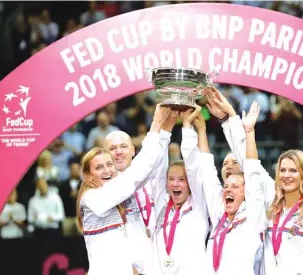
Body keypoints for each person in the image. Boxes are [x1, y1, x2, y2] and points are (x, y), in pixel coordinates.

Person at [76, 106, 173, 275]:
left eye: (109, 165)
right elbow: (135, 173)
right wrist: (156, 124)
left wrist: (166, 129)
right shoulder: (91, 199)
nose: (107, 171)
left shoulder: (117, 195)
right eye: (99, 167)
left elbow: (149, 169)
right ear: (88, 175)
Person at [198, 102, 268, 275]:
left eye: (235, 186)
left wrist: (249, 132)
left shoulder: (253, 214)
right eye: (226, 186)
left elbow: (252, 169)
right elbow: (207, 172)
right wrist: (200, 130)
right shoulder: (219, 214)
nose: (228, 189)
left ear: (246, 192)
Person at [150, 106, 212, 275]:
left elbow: (192, 165)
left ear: (190, 184)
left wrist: (187, 127)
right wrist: (165, 129)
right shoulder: (161, 206)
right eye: (171, 179)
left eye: (181, 180)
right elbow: (156, 169)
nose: (175, 184)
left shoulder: (199, 205)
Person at [104, 127, 164, 275]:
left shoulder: (151, 180)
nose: (118, 152)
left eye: (123, 146)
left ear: (133, 150)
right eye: (112, 148)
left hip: (161, 260)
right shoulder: (103, 191)